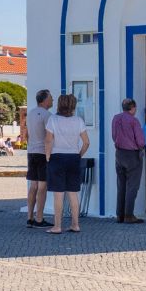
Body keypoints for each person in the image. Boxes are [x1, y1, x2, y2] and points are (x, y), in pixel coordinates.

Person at [44, 93, 89, 234]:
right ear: (73, 106)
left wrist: (47, 156)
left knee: (58, 194)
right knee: (73, 193)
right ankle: (75, 224)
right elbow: (86, 142)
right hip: (73, 158)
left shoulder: (53, 119)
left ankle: (57, 226)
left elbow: (48, 140)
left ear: (59, 104)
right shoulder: (79, 121)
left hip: (57, 157)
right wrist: (79, 155)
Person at [111, 97, 145, 224]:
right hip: (132, 155)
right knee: (132, 186)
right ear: (133, 108)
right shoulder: (134, 121)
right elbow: (140, 141)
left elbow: (114, 136)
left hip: (119, 153)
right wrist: (141, 147)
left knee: (121, 185)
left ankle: (119, 215)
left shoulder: (116, 118)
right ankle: (128, 215)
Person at [25, 89, 54, 228]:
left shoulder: (30, 113)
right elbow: (50, 136)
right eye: (51, 98)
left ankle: (29, 217)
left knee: (33, 185)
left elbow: (26, 134)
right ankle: (39, 218)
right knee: (42, 186)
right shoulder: (48, 115)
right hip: (43, 153)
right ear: (45, 100)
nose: (53, 100)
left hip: (31, 152)